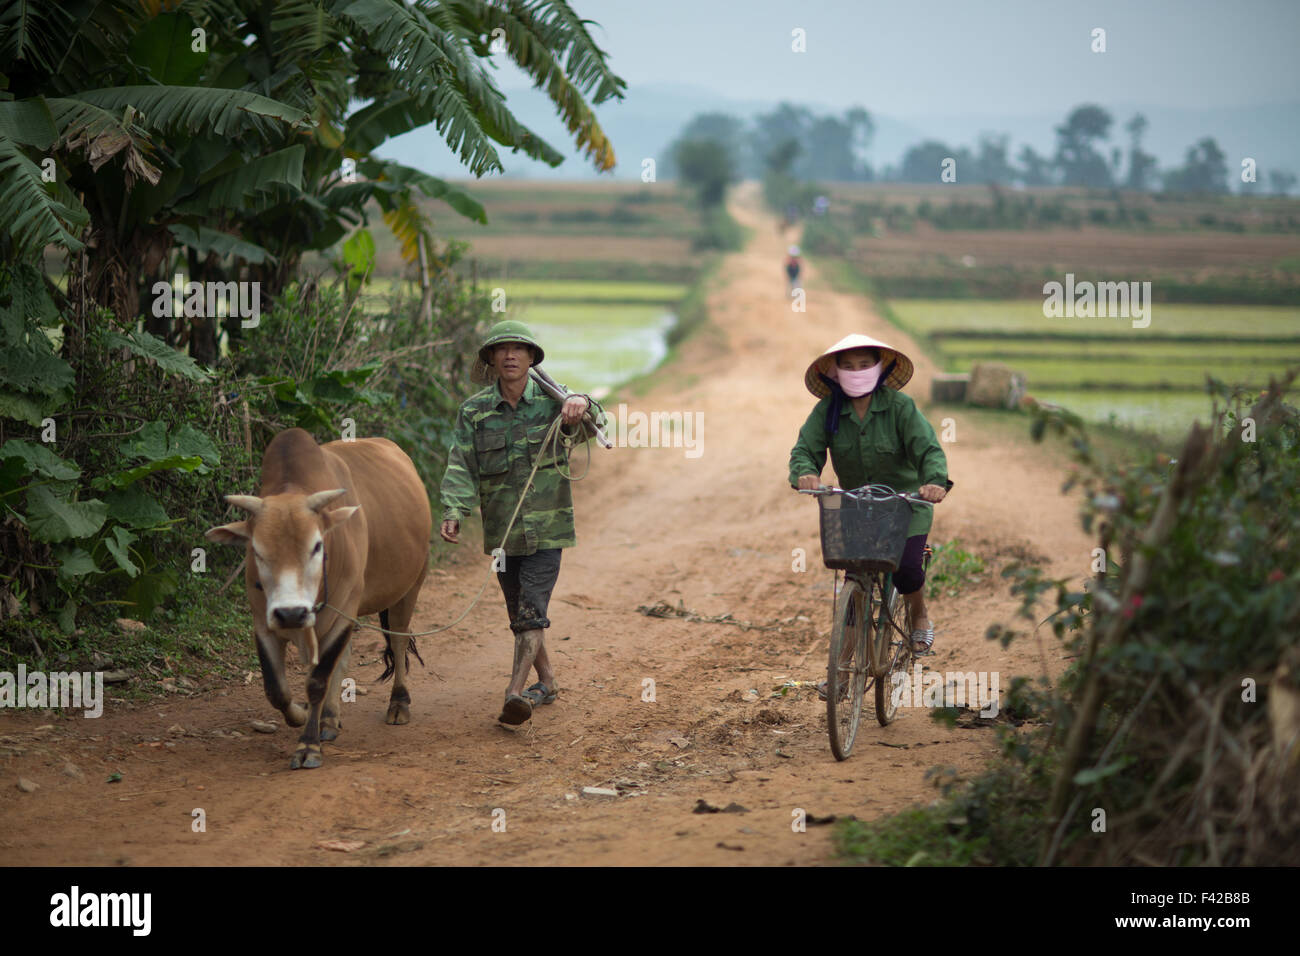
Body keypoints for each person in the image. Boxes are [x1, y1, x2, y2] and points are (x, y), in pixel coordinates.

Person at [439, 320, 601, 725]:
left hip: (548, 530)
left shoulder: (555, 403)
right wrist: (453, 510)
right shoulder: (474, 412)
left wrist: (581, 403)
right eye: (502, 349)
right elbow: (461, 464)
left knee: (530, 611)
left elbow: (597, 426)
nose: (510, 355)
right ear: (491, 360)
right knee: (520, 614)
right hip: (503, 534)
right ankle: (546, 681)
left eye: (519, 349)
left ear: (532, 359)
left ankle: (514, 694)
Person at [788, 334, 950, 675]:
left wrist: (934, 481)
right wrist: (805, 473)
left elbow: (928, 449)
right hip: (859, 507)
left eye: (864, 365)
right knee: (855, 575)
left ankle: (919, 613)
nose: (856, 372)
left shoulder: (900, 408)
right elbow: (805, 449)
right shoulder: (827, 412)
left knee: (906, 568)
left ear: (880, 368)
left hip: (906, 504)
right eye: (848, 366)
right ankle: (843, 670)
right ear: (834, 373)